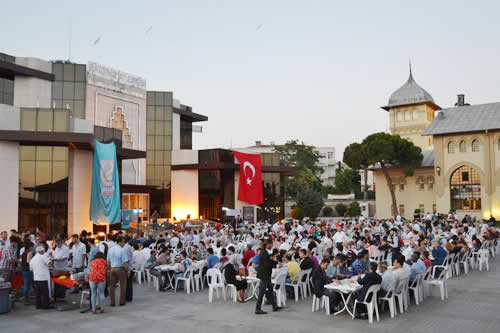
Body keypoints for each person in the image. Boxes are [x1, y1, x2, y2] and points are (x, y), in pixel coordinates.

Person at [255, 239, 281, 315]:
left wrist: (274, 260)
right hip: (264, 274)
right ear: (268, 244)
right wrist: (276, 264)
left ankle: (274, 306)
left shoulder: (264, 252)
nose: (272, 246)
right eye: (271, 245)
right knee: (262, 292)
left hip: (266, 274)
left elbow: (268, 260)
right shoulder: (263, 252)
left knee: (270, 290)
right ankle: (258, 308)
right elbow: (267, 264)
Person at [107, 236, 129, 307]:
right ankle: (122, 301)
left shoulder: (110, 249)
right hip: (120, 269)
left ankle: (112, 302)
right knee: (123, 285)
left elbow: (108, 261)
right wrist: (127, 270)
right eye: (123, 242)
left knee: (112, 286)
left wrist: (108, 269)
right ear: (120, 242)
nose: (124, 243)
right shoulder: (122, 250)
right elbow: (125, 263)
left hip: (112, 268)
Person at [20, 240, 34, 305]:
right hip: (28, 270)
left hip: (24, 270)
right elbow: (29, 262)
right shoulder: (29, 252)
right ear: (30, 247)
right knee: (27, 285)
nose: (33, 248)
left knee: (26, 285)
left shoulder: (24, 252)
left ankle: (26, 299)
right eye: (33, 247)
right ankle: (26, 300)